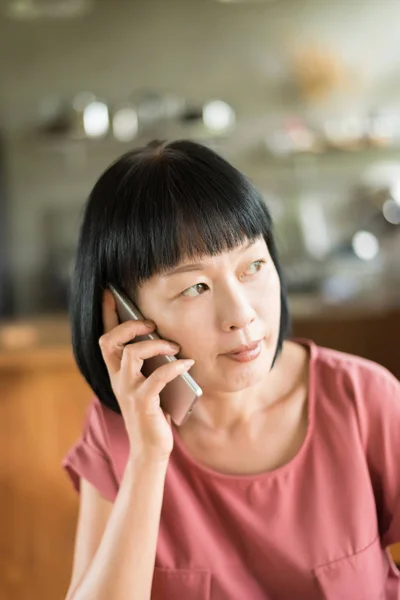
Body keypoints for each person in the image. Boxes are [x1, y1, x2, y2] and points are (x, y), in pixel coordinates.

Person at [62, 139, 400, 600]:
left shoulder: (365, 399)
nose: (241, 314)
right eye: (196, 287)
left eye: (253, 265)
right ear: (123, 313)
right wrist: (148, 459)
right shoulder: (119, 435)